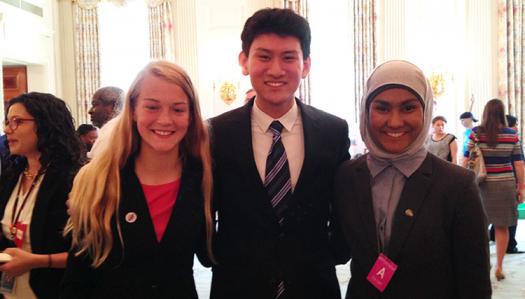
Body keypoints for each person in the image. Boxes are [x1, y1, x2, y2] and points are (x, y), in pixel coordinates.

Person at [209, 8, 350, 299]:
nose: (275, 70)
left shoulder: (332, 131)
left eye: (288, 57)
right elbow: (205, 210)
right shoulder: (215, 133)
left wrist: (334, 254)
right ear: (244, 61)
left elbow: (341, 206)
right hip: (237, 284)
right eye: (263, 56)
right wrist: (215, 255)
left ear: (306, 65)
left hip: (314, 285)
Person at [334, 60, 491, 298]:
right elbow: (338, 249)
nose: (395, 122)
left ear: (425, 110)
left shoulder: (457, 186)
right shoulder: (347, 176)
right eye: (382, 108)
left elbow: (474, 283)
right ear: (366, 111)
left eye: (408, 108)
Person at [61, 61, 214, 298]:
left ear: (191, 115)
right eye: (152, 107)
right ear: (133, 111)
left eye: (178, 109)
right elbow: (77, 276)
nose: (165, 120)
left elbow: (209, 254)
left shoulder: (203, 177)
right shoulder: (97, 180)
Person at [0, 92, 84, 299]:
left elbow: (90, 255)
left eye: (17, 121)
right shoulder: (13, 175)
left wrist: (36, 260)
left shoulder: (74, 180)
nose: (7, 129)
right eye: (7, 121)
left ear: (46, 125)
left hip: (53, 290)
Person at [464, 99, 525, 280]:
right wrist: (522, 187)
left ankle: (483, 264)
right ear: (501, 113)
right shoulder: (511, 134)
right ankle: (499, 265)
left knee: (479, 227)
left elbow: (466, 160)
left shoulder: (476, 133)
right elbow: (520, 164)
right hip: (505, 185)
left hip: (480, 185)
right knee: (502, 226)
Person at [489, 114, 523, 254]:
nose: (517, 127)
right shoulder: (511, 139)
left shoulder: (493, 140)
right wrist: (521, 185)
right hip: (509, 181)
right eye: (514, 124)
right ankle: (511, 245)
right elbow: (519, 164)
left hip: (492, 182)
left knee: (495, 213)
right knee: (510, 215)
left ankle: (493, 236)